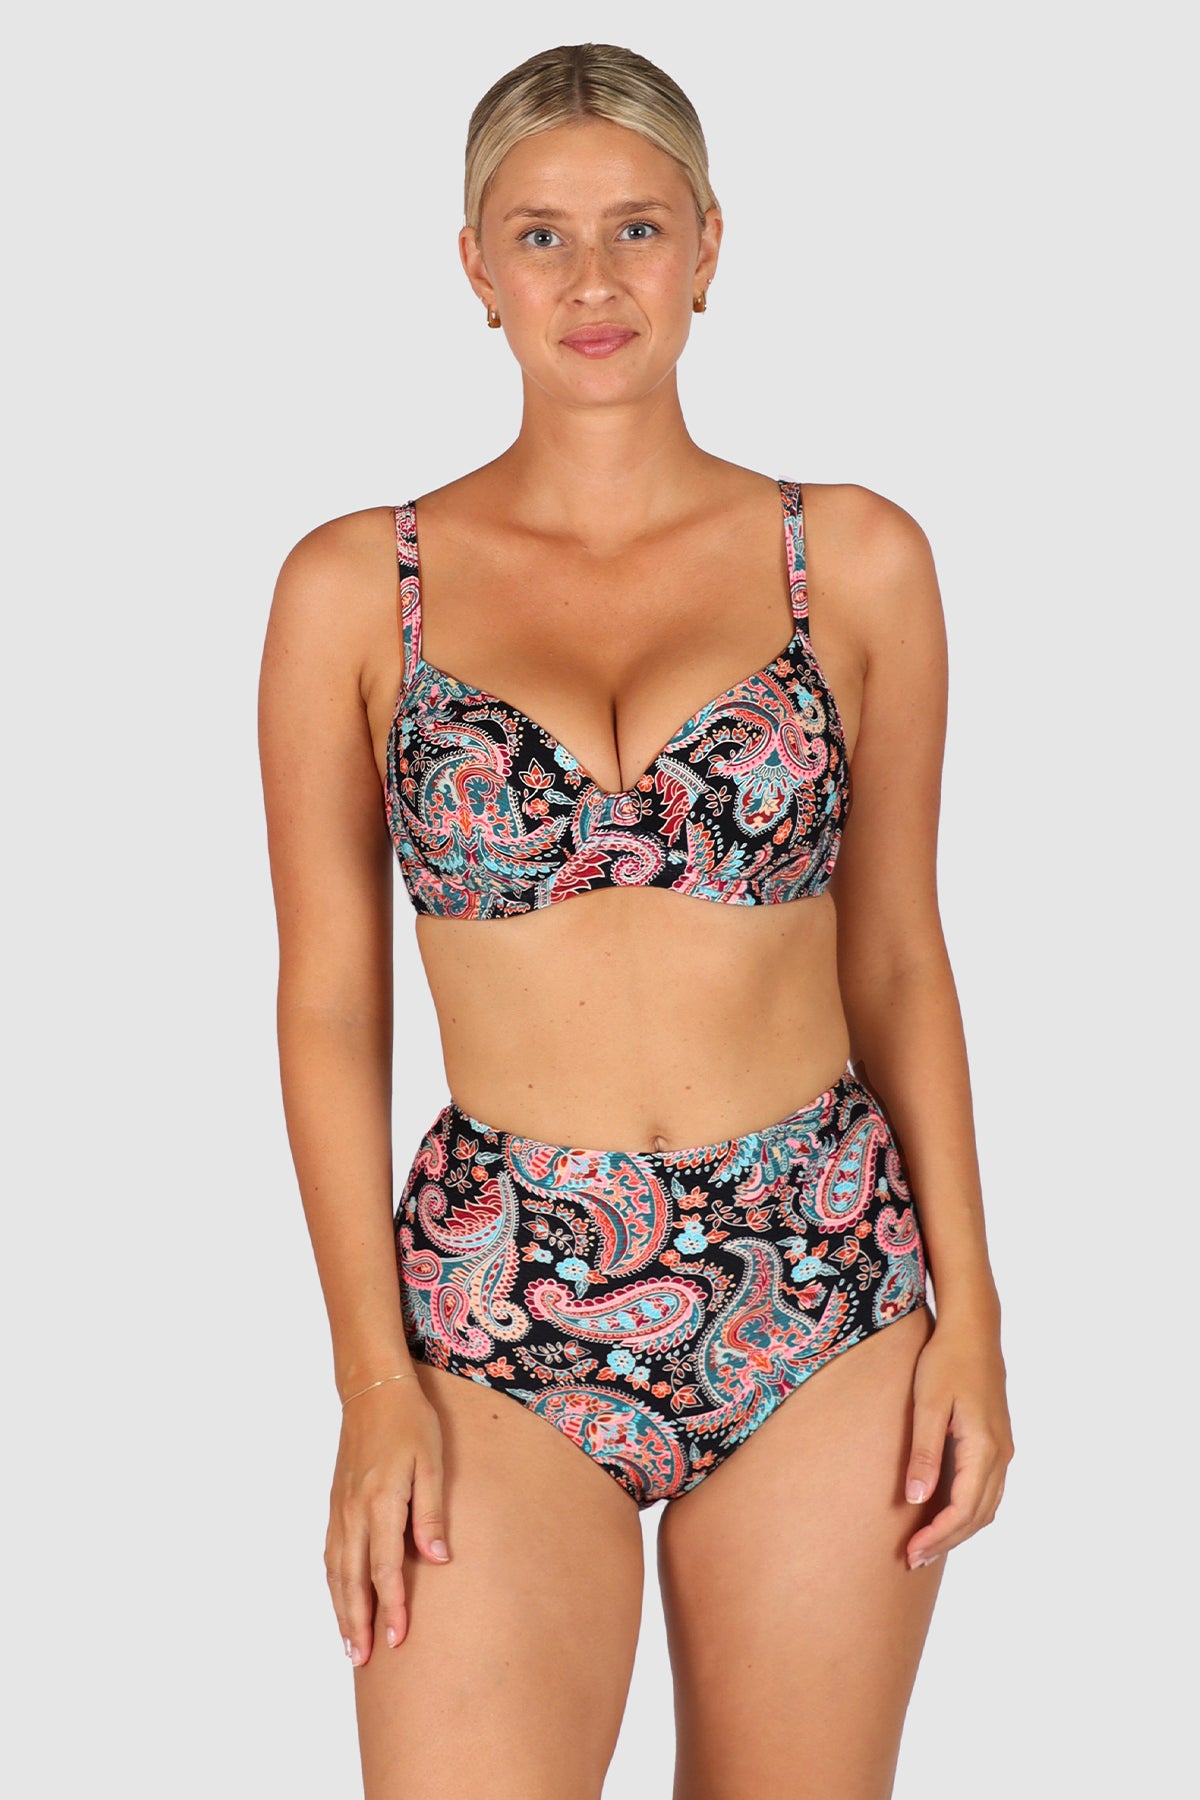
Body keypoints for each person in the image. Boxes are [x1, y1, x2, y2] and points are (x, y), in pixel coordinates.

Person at [258, 39, 1014, 1800]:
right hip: (494, 1299)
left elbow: (901, 956)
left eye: (637, 229)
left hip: (825, 1275)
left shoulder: (856, 561)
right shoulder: (354, 590)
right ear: (474, 264)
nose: (592, 280)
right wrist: (371, 1382)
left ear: (709, 248)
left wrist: (974, 1313)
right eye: (541, 235)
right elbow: (328, 1007)